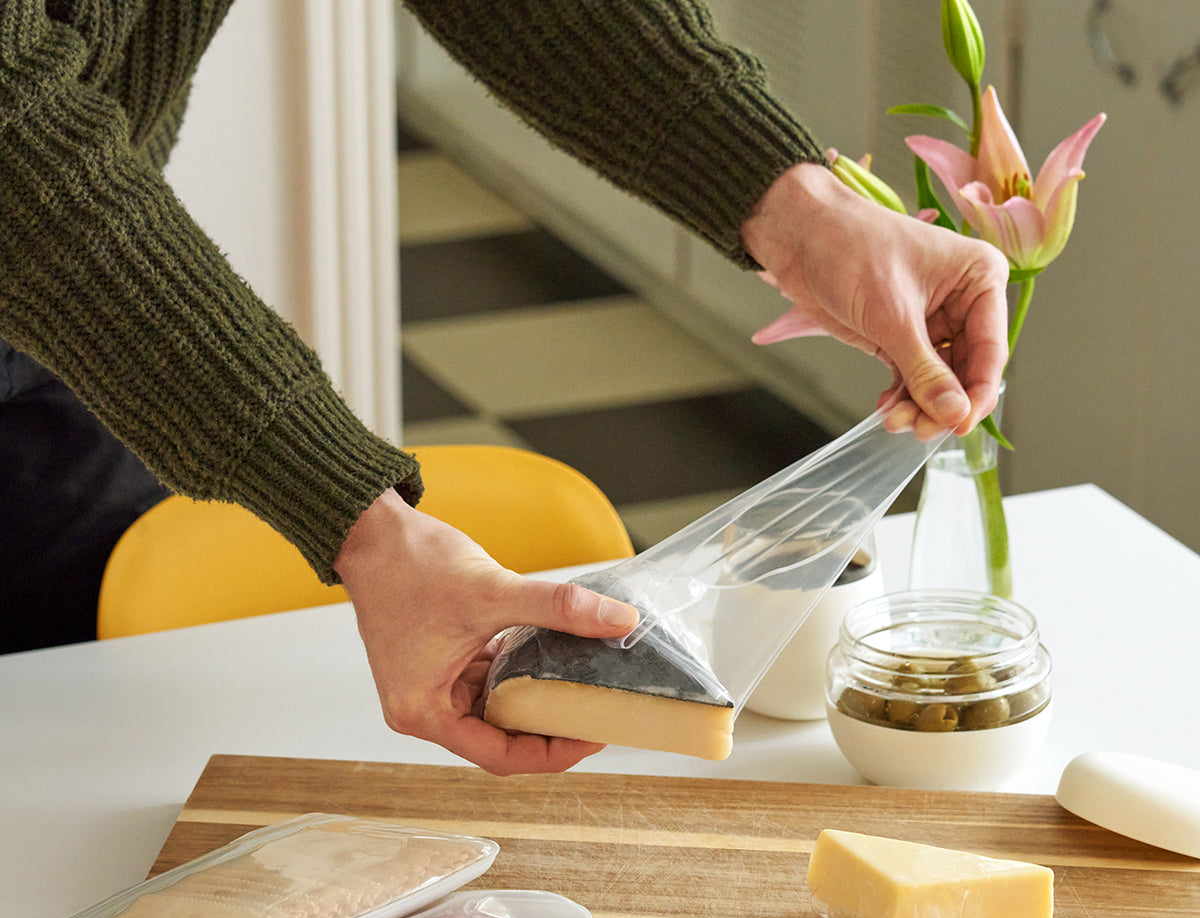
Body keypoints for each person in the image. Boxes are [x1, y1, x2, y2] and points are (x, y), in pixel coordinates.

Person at [0, 0, 1008, 774]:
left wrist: (802, 210)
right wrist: (365, 528)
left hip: (48, 330)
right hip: (48, 254)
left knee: (79, 772)